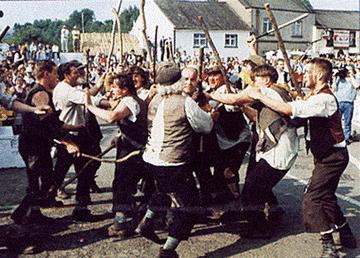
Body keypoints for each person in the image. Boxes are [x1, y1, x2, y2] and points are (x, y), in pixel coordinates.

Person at [246, 58, 357, 256]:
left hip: (333, 157)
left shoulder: (324, 99)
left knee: (312, 197)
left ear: (320, 75)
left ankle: (329, 246)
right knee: (326, 197)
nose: (303, 76)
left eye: (307, 72)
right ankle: (347, 234)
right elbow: (297, 117)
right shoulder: (315, 97)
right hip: (325, 156)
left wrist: (260, 96)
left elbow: (288, 110)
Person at [136, 63, 213, 258]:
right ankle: (168, 250)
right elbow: (205, 127)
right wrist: (211, 116)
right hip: (172, 162)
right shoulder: (184, 102)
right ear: (178, 82)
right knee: (190, 207)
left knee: (163, 191)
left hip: (151, 159)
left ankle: (147, 221)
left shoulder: (155, 99)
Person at [9, 60, 80, 254]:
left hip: (38, 146)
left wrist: (74, 128)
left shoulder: (42, 92)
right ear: (46, 74)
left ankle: (34, 215)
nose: (57, 76)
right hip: (34, 148)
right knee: (39, 187)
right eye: (55, 73)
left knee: (42, 182)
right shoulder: (40, 94)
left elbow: (54, 122)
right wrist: (68, 142)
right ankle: (18, 227)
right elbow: (48, 122)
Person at [85, 72, 151, 238]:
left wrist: (90, 107)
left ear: (125, 89)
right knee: (124, 185)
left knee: (122, 185)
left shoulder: (129, 101)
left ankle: (121, 223)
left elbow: (111, 117)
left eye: (115, 87)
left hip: (133, 152)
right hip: (132, 148)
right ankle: (130, 216)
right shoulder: (132, 100)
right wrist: (120, 136)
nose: (112, 90)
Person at [52, 61, 105, 221]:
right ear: (66, 75)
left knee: (64, 171)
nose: (78, 74)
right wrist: (110, 103)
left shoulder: (63, 88)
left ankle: (38, 203)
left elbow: (86, 95)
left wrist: (99, 85)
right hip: (72, 135)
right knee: (85, 169)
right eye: (75, 72)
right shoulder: (67, 91)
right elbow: (88, 99)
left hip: (71, 133)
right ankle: (80, 209)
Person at [334, 66, 359, 144]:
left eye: (349, 70)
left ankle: (346, 138)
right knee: (337, 121)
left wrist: (351, 76)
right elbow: (334, 88)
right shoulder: (340, 78)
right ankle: (337, 137)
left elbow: (357, 85)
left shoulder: (355, 78)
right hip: (339, 101)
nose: (347, 72)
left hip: (349, 102)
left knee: (347, 122)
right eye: (346, 70)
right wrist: (334, 78)